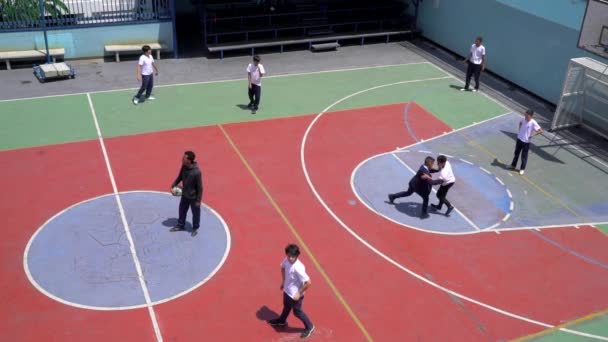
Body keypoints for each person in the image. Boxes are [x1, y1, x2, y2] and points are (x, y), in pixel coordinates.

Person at [268, 244, 315, 339]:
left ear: (297, 256)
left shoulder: (298, 268)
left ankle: (310, 327)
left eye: (292, 256)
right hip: (287, 290)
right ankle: (282, 321)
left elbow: (308, 282)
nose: (290, 258)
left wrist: (299, 293)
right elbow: (283, 268)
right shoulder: (286, 260)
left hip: (296, 295)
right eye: (289, 255)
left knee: (297, 312)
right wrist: (284, 281)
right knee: (286, 306)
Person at [170, 151, 203, 237]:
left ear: (189, 160)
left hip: (193, 197)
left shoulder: (197, 172)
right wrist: (174, 184)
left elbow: (200, 187)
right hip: (184, 195)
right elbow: (180, 176)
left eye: (184, 158)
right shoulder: (184, 166)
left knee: (195, 213)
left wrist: (198, 200)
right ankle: (181, 225)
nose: (182, 159)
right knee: (182, 210)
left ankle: (195, 228)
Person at [510, 109, 543, 175]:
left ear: (531, 116)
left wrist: (532, 135)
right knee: (516, 153)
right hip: (519, 139)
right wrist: (520, 130)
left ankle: (522, 169)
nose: (525, 116)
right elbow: (520, 123)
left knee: (524, 156)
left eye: (527, 115)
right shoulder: (523, 119)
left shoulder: (533, 122)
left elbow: (540, 131)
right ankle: (513, 165)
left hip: (526, 142)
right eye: (525, 115)